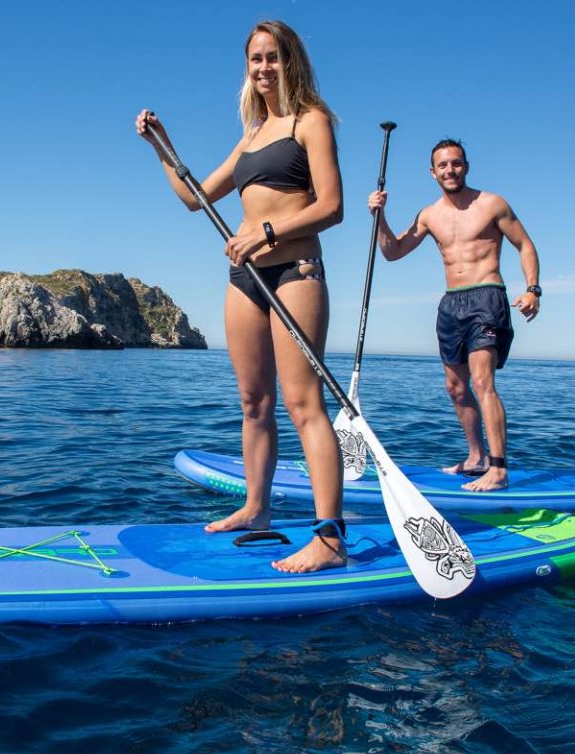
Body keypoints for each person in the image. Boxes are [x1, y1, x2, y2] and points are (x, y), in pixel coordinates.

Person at [136, 20, 345, 572]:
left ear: (290, 61)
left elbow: (332, 206)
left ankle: (329, 538)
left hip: (295, 272)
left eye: (272, 57)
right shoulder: (251, 136)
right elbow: (194, 197)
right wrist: (162, 147)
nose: (263, 68)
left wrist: (268, 232)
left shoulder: (311, 122)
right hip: (245, 282)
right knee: (254, 404)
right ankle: (256, 509)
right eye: (255, 59)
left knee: (304, 406)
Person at [368, 139, 541, 492]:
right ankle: (476, 457)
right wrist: (380, 218)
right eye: (443, 165)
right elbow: (393, 252)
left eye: (456, 163)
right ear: (433, 173)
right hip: (451, 304)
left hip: (487, 297)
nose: (450, 170)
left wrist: (532, 289)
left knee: (482, 383)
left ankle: (498, 469)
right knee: (456, 388)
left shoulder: (492, 204)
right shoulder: (430, 214)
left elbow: (525, 244)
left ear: (466, 166)